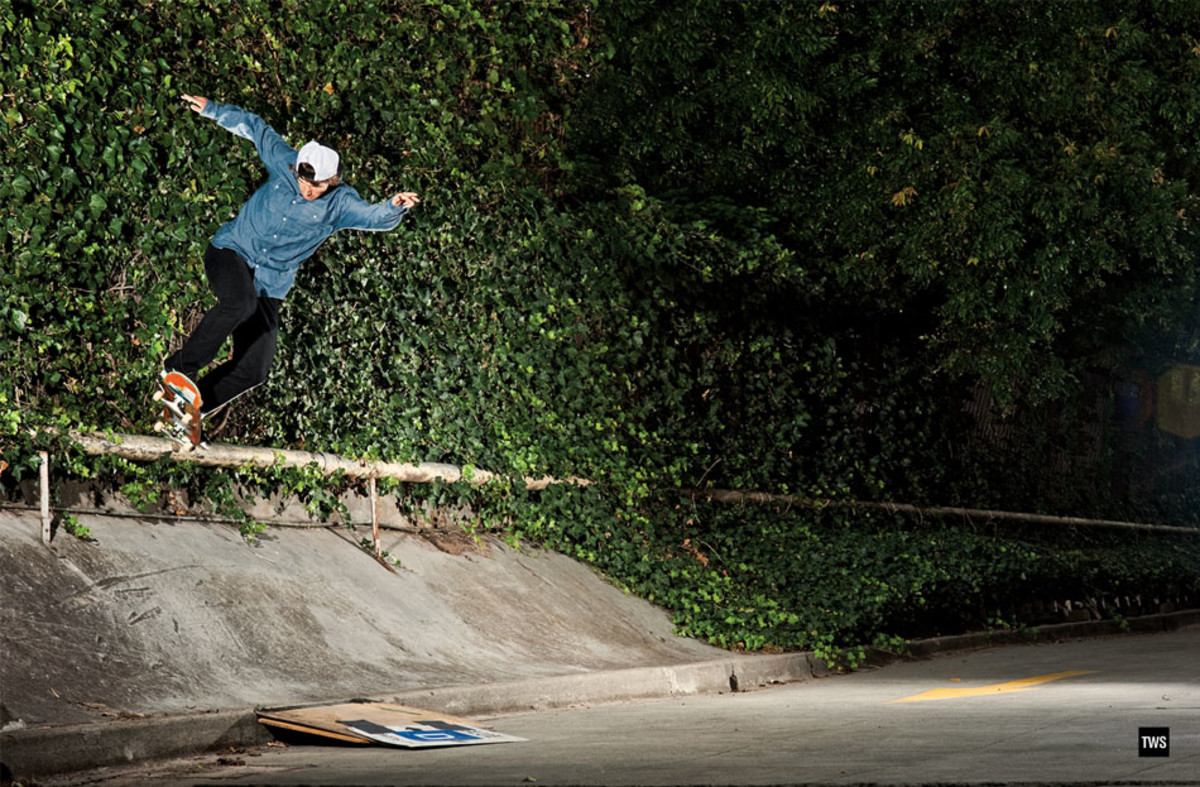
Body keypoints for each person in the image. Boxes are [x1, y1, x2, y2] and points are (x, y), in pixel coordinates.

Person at [164, 94, 419, 418]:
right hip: (231, 252)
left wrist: (392, 206)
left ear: (333, 181)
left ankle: (189, 413)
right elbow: (256, 128)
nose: (308, 191)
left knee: (254, 369)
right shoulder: (283, 160)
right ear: (296, 168)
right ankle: (179, 369)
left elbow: (370, 216)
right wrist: (214, 110)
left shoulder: (339, 203)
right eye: (303, 181)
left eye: (318, 186)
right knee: (240, 303)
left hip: (270, 282)